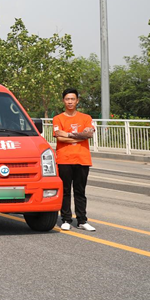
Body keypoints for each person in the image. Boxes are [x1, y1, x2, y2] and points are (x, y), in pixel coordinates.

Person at [53, 88, 96, 232]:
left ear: (77, 100)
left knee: (80, 191)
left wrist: (68, 134)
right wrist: (79, 136)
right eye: (67, 99)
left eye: (72, 99)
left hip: (82, 159)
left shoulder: (86, 118)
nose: (70, 102)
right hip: (64, 159)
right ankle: (66, 219)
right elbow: (59, 137)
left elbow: (88, 134)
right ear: (63, 101)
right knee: (65, 191)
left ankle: (82, 220)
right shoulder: (58, 118)